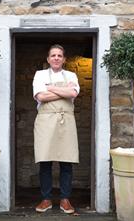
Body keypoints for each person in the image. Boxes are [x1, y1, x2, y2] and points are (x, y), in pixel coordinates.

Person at [32, 44, 80, 214]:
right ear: (48, 59)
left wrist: (51, 88)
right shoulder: (40, 75)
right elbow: (41, 96)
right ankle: (46, 199)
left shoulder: (72, 75)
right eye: (53, 55)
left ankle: (65, 199)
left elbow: (73, 94)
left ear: (64, 59)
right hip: (45, 122)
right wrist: (64, 90)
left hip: (65, 121)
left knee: (66, 162)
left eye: (60, 55)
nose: (56, 58)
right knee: (45, 161)